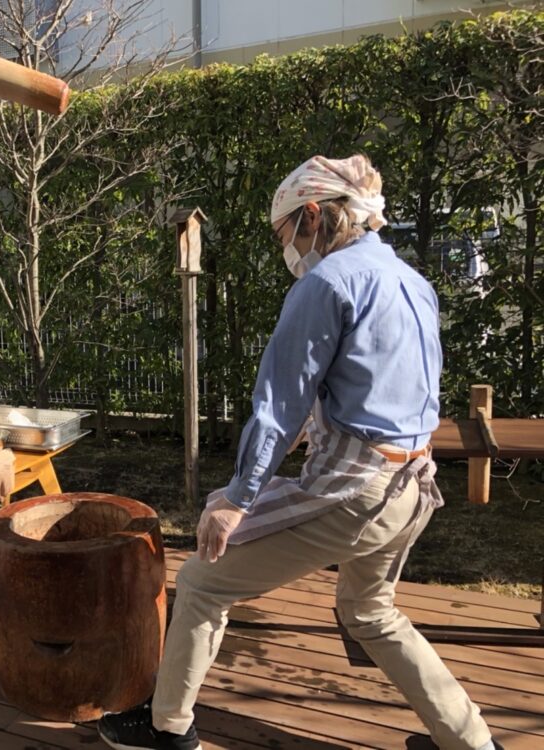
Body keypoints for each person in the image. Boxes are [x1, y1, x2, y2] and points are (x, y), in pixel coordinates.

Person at [97, 155, 501, 750]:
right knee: (371, 612)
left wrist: (239, 497)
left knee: (205, 581)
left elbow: (279, 403)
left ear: (314, 215)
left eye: (285, 235)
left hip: (356, 491)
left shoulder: (326, 283)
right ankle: (471, 744)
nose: (287, 251)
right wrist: (332, 423)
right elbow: (393, 389)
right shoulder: (412, 281)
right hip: (413, 484)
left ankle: (168, 729)